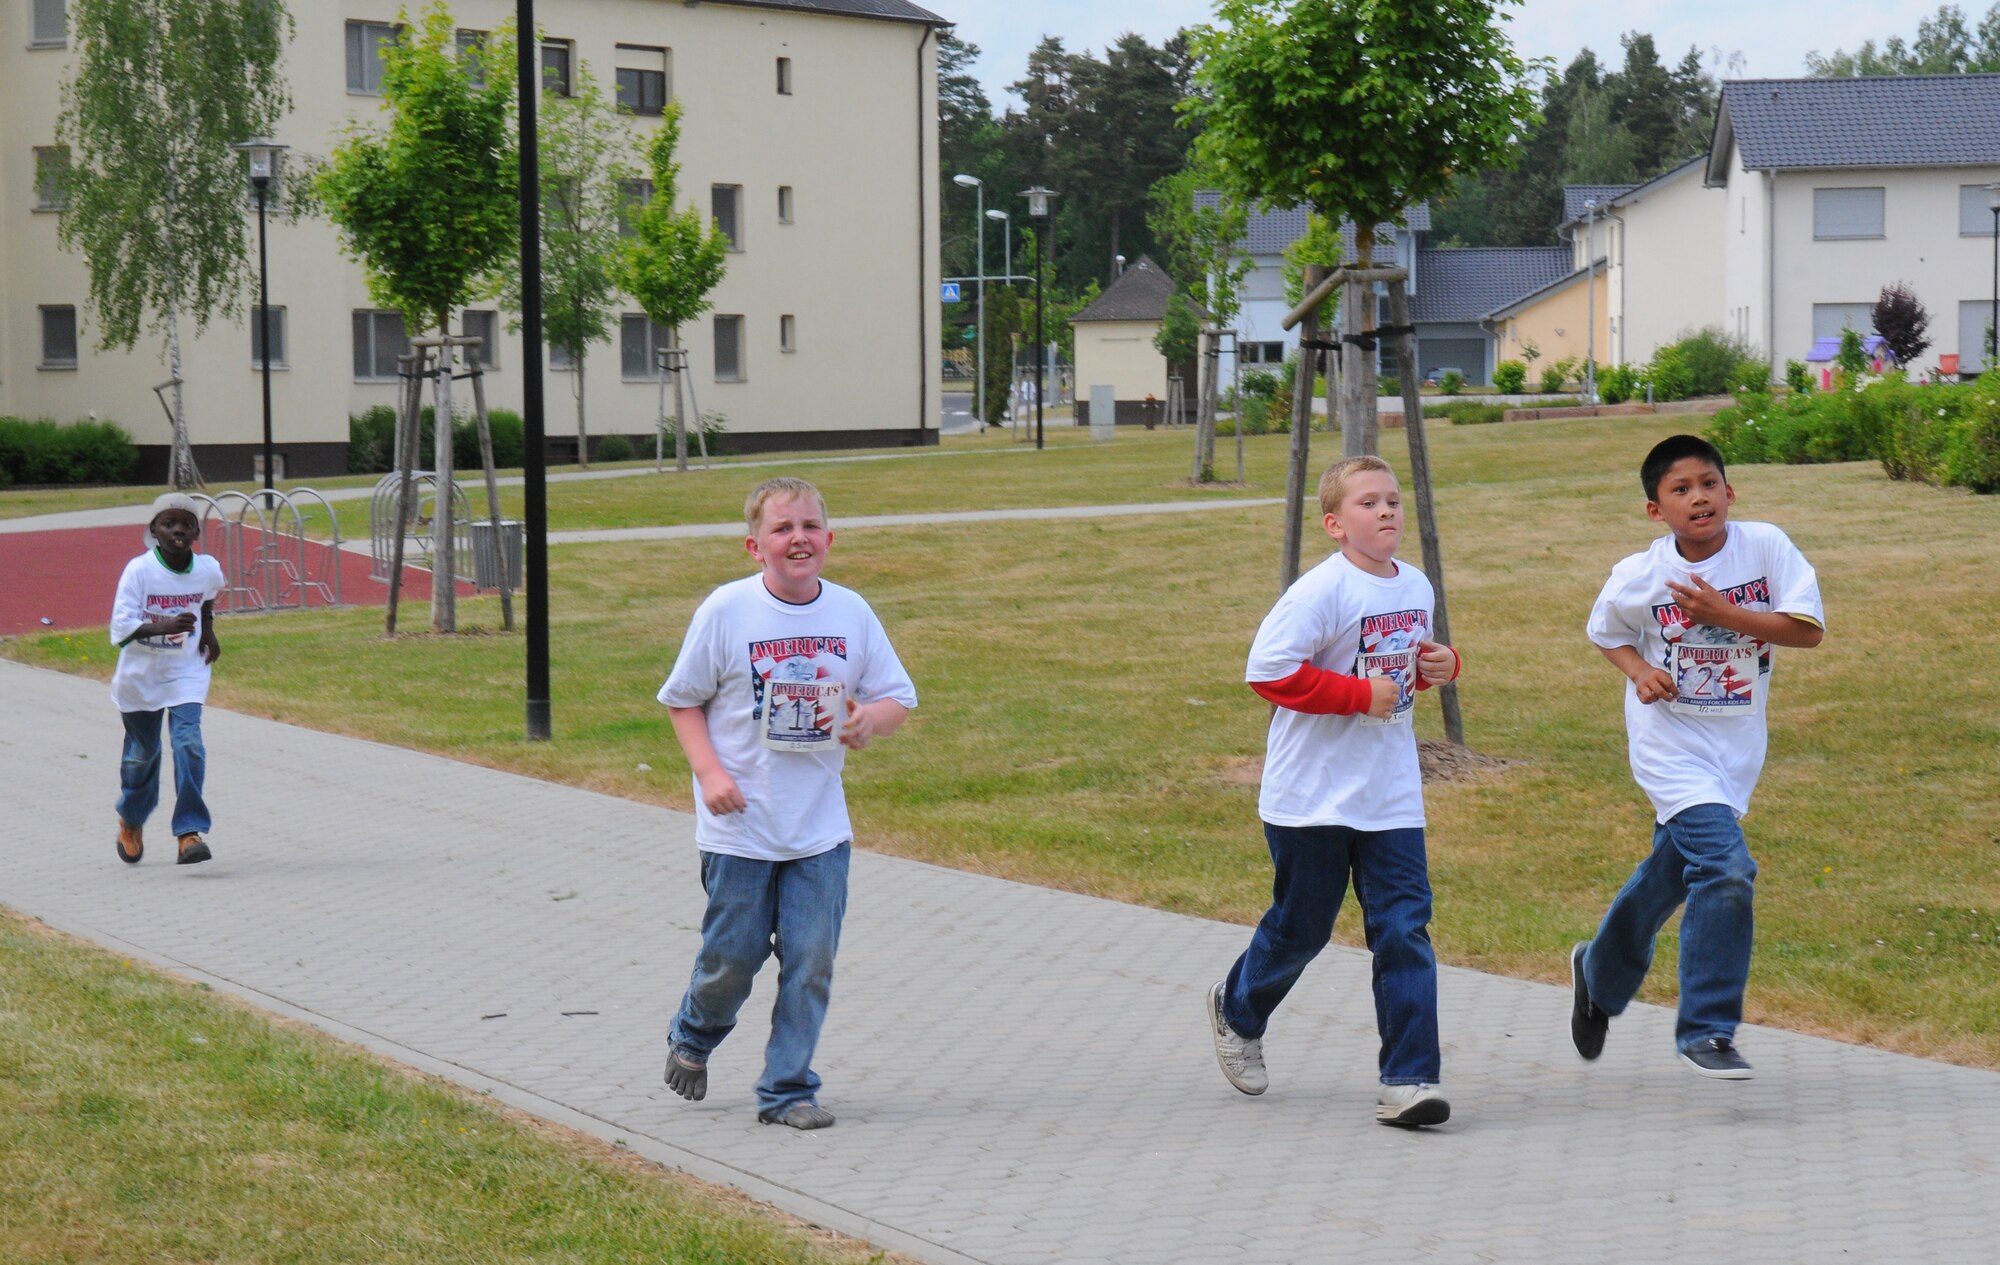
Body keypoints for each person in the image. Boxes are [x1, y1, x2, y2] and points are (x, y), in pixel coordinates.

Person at [1206, 455, 1463, 1128]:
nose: (1386, 512)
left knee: (1404, 929)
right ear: (1333, 524)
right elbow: (1267, 670)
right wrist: (1356, 696)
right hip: (1310, 796)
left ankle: (1409, 1079)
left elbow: (1402, 672)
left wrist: (1439, 665)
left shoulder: (1415, 585)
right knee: (1302, 927)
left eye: (1393, 501)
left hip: (1390, 795)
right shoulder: (1320, 591)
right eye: (1368, 503)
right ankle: (1238, 1006)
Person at [656, 476, 917, 1130]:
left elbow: (897, 698)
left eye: (809, 527)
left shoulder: (851, 613)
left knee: (810, 960)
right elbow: (681, 699)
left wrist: (869, 722)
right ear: (755, 546)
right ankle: (695, 1028)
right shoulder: (726, 611)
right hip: (740, 826)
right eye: (781, 528)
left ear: (828, 539)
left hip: (819, 831)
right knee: (733, 958)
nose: (797, 538)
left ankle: (787, 1087)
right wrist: (710, 771)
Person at [1570, 434, 1824, 1079]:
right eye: (1680, 490)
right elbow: (1607, 631)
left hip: (1735, 751)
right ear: (1657, 511)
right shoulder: (1641, 574)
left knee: (1669, 875)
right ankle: (1707, 1030)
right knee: (1727, 869)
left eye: (1708, 483)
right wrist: (1637, 671)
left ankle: (1597, 973)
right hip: (1669, 746)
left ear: (1729, 492)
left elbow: (1808, 630)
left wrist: (1725, 614)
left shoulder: (1765, 548)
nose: (1698, 497)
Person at [109, 493, 225, 866]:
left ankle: (189, 832)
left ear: (196, 531)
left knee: (189, 743)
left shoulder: (207, 568)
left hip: (186, 671)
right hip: (141, 676)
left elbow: (207, 597)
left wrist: (208, 630)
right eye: (168, 523)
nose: (178, 530)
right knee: (142, 756)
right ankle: (132, 818)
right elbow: (121, 627)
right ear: (154, 531)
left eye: (186, 524)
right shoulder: (139, 571)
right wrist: (166, 625)